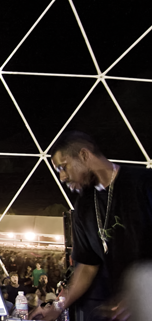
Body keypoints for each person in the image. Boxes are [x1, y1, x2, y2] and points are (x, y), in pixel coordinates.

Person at [32, 131, 152, 321]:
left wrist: (143, 294)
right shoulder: (84, 206)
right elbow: (87, 266)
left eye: (63, 167)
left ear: (84, 155)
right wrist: (57, 305)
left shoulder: (144, 183)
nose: (62, 177)